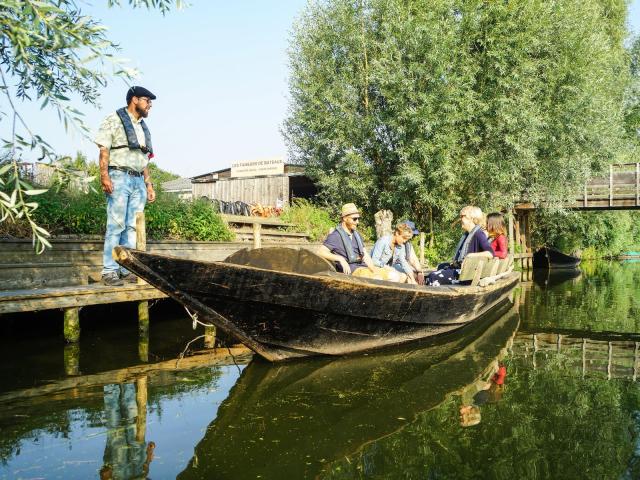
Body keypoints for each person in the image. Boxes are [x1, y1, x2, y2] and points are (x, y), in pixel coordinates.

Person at [96, 86, 157, 286]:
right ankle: (109, 271)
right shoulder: (113, 119)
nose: (150, 105)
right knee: (116, 225)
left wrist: (148, 184)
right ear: (134, 99)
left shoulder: (142, 127)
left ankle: (125, 269)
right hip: (119, 176)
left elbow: (144, 158)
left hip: (138, 179)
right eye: (147, 100)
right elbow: (104, 150)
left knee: (131, 227)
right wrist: (104, 175)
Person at [426, 205, 494, 286]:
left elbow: (490, 254)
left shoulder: (479, 234)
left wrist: (471, 255)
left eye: (462, 216)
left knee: (432, 277)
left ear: (472, 219)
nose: (460, 219)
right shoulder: (467, 235)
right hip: (462, 271)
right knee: (441, 266)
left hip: (467, 276)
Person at [318, 203, 389, 279]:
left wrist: (374, 270)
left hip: (363, 268)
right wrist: (340, 259)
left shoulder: (356, 235)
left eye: (358, 219)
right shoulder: (335, 236)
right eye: (354, 219)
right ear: (345, 218)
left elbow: (365, 255)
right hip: (352, 271)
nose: (357, 222)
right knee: (377, 278)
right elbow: (321, 252)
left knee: (395, 276)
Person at [400, 219, 426, 284]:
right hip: (396, 266)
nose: (411, 237)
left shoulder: (408, 244)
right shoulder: (397, 241)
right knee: (409, 278)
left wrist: (419, 272)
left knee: (419, 277)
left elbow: (414, 259)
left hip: (405, 266)